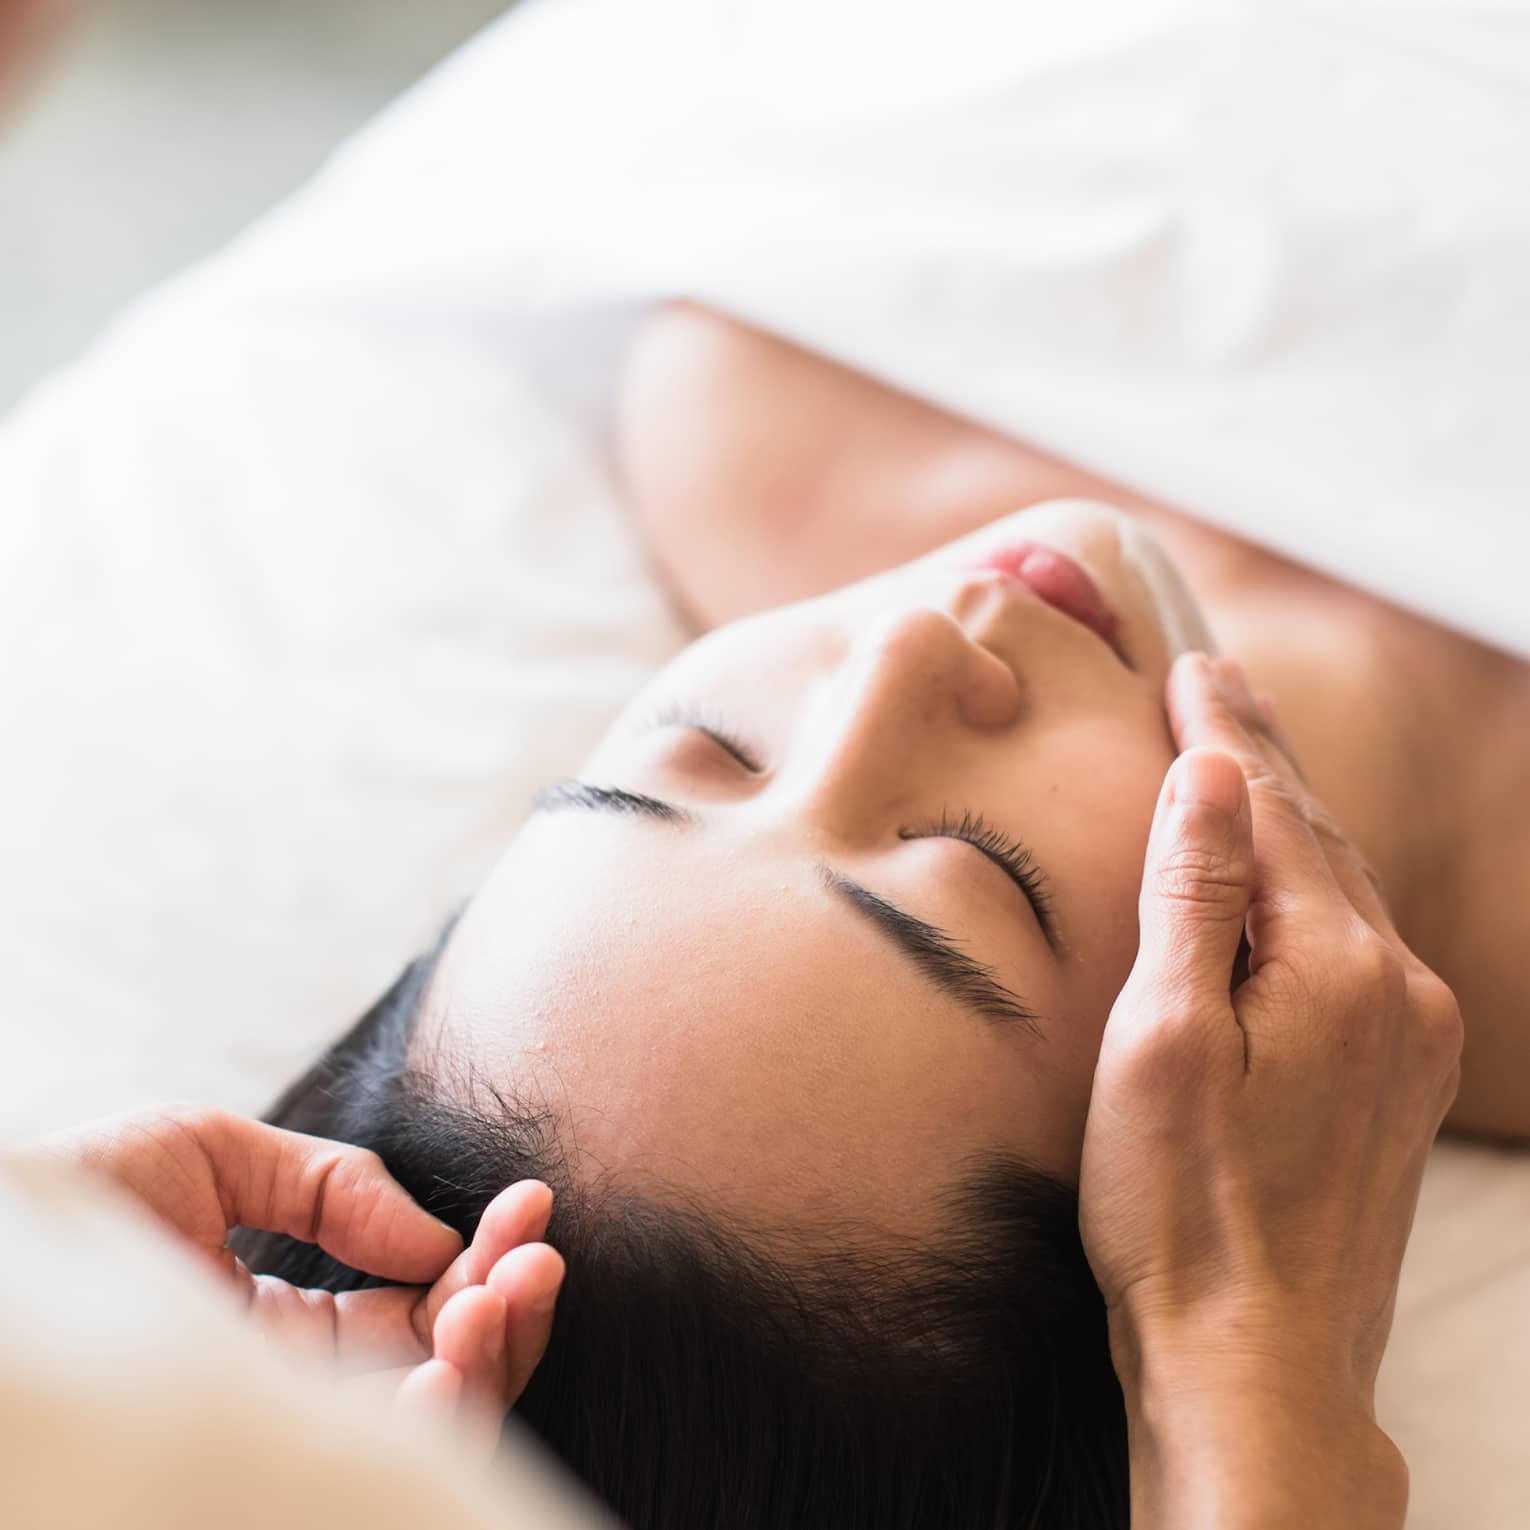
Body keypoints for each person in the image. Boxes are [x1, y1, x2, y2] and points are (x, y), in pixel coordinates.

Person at [229, 303, 1513, 1529]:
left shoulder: (766, 411)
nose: (900, 661)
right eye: (980, 869)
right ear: (1262, 1155)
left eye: (706, 751)